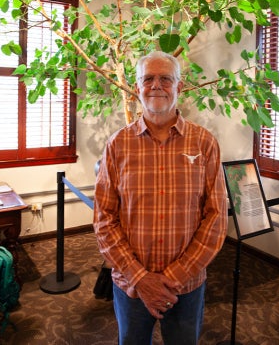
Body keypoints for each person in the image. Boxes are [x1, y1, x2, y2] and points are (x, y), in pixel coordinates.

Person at [93, 51, 228, 345]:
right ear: (137, 87)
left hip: (186, 286)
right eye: (148, 79)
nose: (156, 85)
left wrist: (173, 278)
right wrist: (140, 278)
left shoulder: (204, 143)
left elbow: (216, 217)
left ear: (179, 87)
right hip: (130, 285)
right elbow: (104, 219)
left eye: (165, 79)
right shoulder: (117, 145)